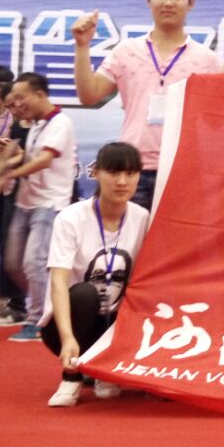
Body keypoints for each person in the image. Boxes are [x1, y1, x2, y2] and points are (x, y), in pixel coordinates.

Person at [70, 0, 221, 211]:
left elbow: (217, 119)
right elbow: (89, 96)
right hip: (132, 169)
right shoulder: (126, 51)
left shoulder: (207, 60)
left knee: (172, 236)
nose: (168, 2)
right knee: (129, 235)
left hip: (180, 168)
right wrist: (82, 46)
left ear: (191, 3)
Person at [40, 142, 149, 407]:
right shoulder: (71, 218)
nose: (122, 181)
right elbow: (58, 281)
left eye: (130, 173)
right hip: (69, 323)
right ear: (95, 173)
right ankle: (72, 375)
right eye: (113, 172)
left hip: (115, 324)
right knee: (85, 294)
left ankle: (104, 368)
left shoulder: (142, 218)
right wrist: (67, 338)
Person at [0, 73, 77, 342]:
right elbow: (30, 158)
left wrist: (7, 174)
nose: (16, 105)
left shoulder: (60, 123)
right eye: (13, 101)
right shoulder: (37, 126)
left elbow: (44, 161)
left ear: (40, 95)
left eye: (20, 98)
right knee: (13, 263)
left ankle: (38, 320)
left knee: (34, 262)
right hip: (25, 201)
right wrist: (9, 158)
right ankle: (54, 302)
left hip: (50, 203)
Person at [0, 67, 26, 323]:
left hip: (8, 188)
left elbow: (29, 152)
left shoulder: (19, 117)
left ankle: (6, 303)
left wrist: (11, 150)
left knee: (10, 249)